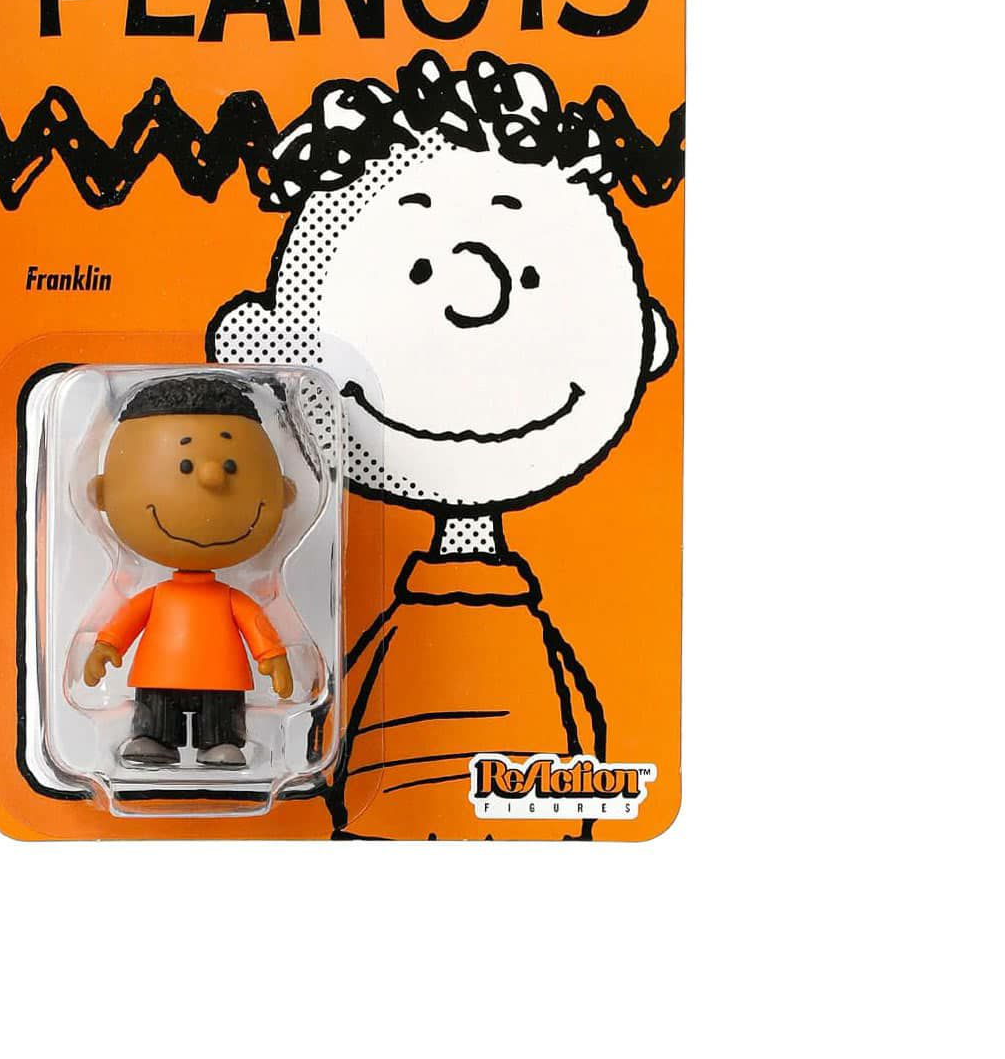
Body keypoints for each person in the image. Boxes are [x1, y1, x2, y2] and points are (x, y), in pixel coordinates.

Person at [208, 49, 680, 835]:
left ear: (646, 338)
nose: (473, 298)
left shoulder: (490, 629)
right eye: (418, 271)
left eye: (530, 280)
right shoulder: (406, 624)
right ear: (262, 337)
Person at [79, 374, 297, 768]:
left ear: (284, 493)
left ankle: (220, 742)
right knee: (156, 711)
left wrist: (273, 656)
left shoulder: (229, 600)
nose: (212, 476)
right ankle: (153, 737)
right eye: (184, 466)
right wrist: (106, 646)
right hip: (160, 673)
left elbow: (255, 624)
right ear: (102, 494)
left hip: (222, 677)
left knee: (222, 714)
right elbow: (128, 620)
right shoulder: (159, 597)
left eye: (230, 466)